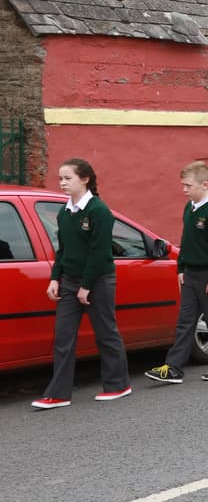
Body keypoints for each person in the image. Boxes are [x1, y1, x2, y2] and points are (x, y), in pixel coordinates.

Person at [33, 159, 131, 409]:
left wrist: (86, 286)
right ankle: (59, 394)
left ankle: (118, 385)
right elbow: (63, 250)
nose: (63, 183)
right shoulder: (65, 212)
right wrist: (55, 278)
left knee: (106, 333)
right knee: (63, 337)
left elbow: (100, 253)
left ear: (85, 179)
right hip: (69, 281)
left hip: (98, 281)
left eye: (68, 178)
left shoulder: (99, 211)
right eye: (60, 179)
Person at [145, 161, 208, 384]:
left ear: (204, 184)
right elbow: (186, 242)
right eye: (183, 185)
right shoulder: (190, 208)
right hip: (190, 275)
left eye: (188, 185)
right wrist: (181, 268)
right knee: (185, 321)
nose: (184, 189)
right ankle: (174, 367)